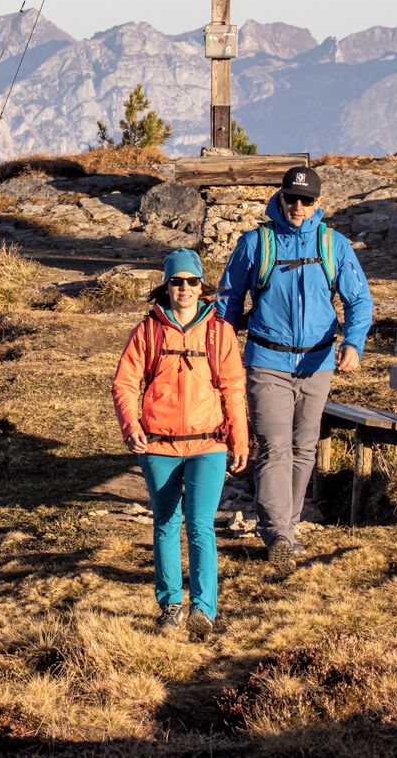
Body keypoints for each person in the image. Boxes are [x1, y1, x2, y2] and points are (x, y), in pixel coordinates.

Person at [215, 164, 373, 568]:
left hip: (318, 362)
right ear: (280, 198)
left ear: (318, 203)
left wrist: (353, 345)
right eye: (291, 199)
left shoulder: (333, 245)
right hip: (267, 360)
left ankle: (289, 523)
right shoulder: (257, 243)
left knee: (305, 447)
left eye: (306, 200)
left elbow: (359, 301)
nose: (297, 207)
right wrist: (222, 349)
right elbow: (229, 301)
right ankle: (278, 533)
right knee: (273, 446)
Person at [111, 248, 250, 638]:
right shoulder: (148, 330)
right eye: (177, 281)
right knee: (166, 523)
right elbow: (124, 382)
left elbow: (233, 388)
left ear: (201, 286)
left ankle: (204, 609)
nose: (184, 288)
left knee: (202, 526)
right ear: (166, 285)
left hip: (208, 444)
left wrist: (240, 439)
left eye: (192, 281)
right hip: (158, 446)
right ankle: (171, 604)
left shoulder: (218, 331)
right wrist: (130, 425)